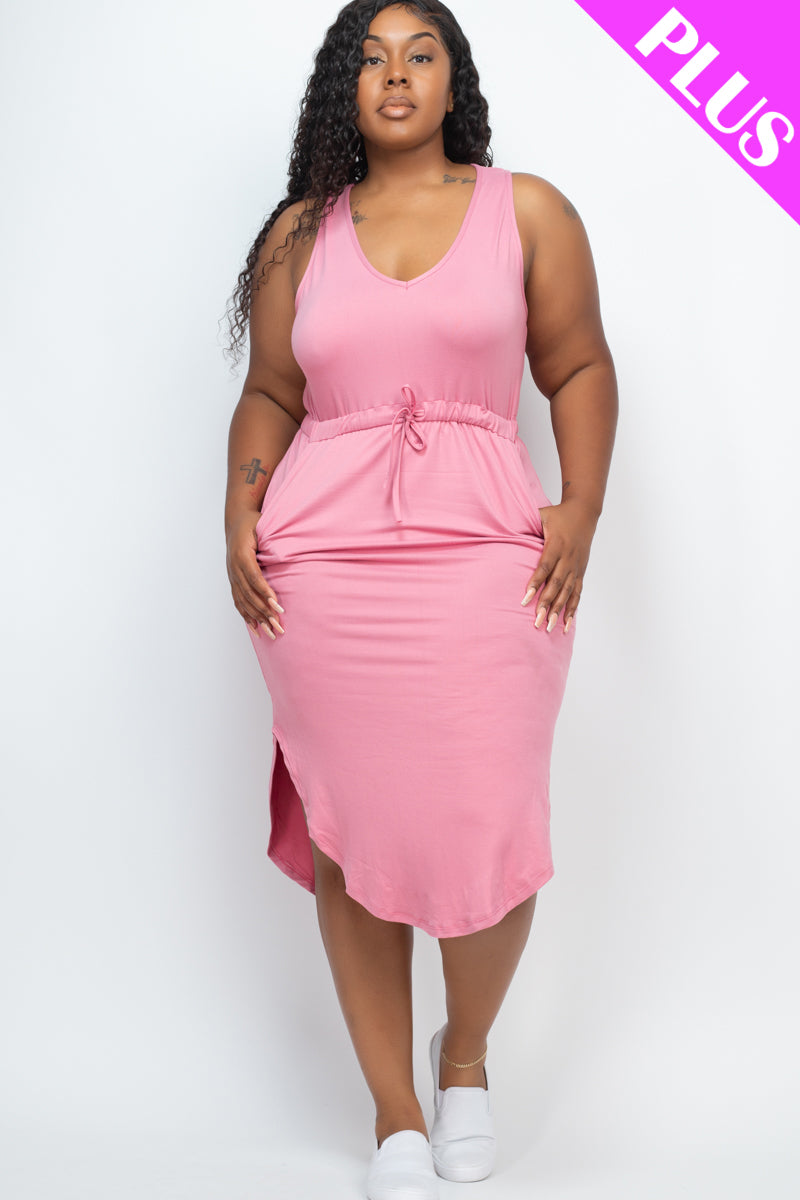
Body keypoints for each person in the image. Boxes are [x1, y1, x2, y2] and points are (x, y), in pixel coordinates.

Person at [223, 2, 617, 1196]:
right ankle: (395, 1110)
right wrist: (238, 510)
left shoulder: (527, 211)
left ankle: (464, 1058)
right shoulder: (301, 234)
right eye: (369, 57)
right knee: (350, 831)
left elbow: (577, 364)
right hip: (323, 569)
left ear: (454, 80)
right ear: (342, 87)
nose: (393, 74)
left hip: (485, 554)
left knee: (488, 818)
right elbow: (271, 392)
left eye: (419, 53)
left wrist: (580, 508)